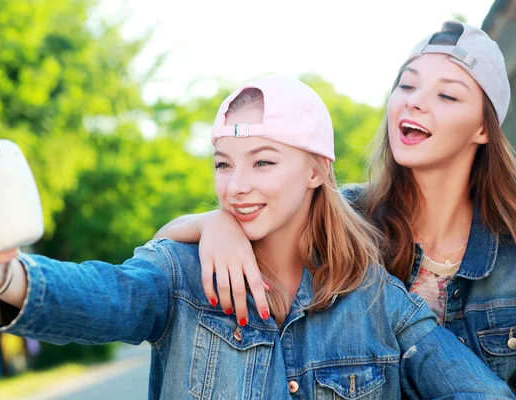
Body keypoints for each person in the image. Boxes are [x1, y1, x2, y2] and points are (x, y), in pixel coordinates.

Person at [0, 74, 514, 398]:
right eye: (222, 164)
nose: (235, 187)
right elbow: (107, 295)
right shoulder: (181, 275)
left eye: (263, 162)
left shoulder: (376, 299)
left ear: (316, 171)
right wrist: (4, 277)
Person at [154, 21, 516, 392]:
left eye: (447, 96)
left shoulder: (510, 254)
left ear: (484, 129)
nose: (415, 100)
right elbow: (165, 262)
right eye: (406, 85)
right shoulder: (342, 220)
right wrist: (214, 224)